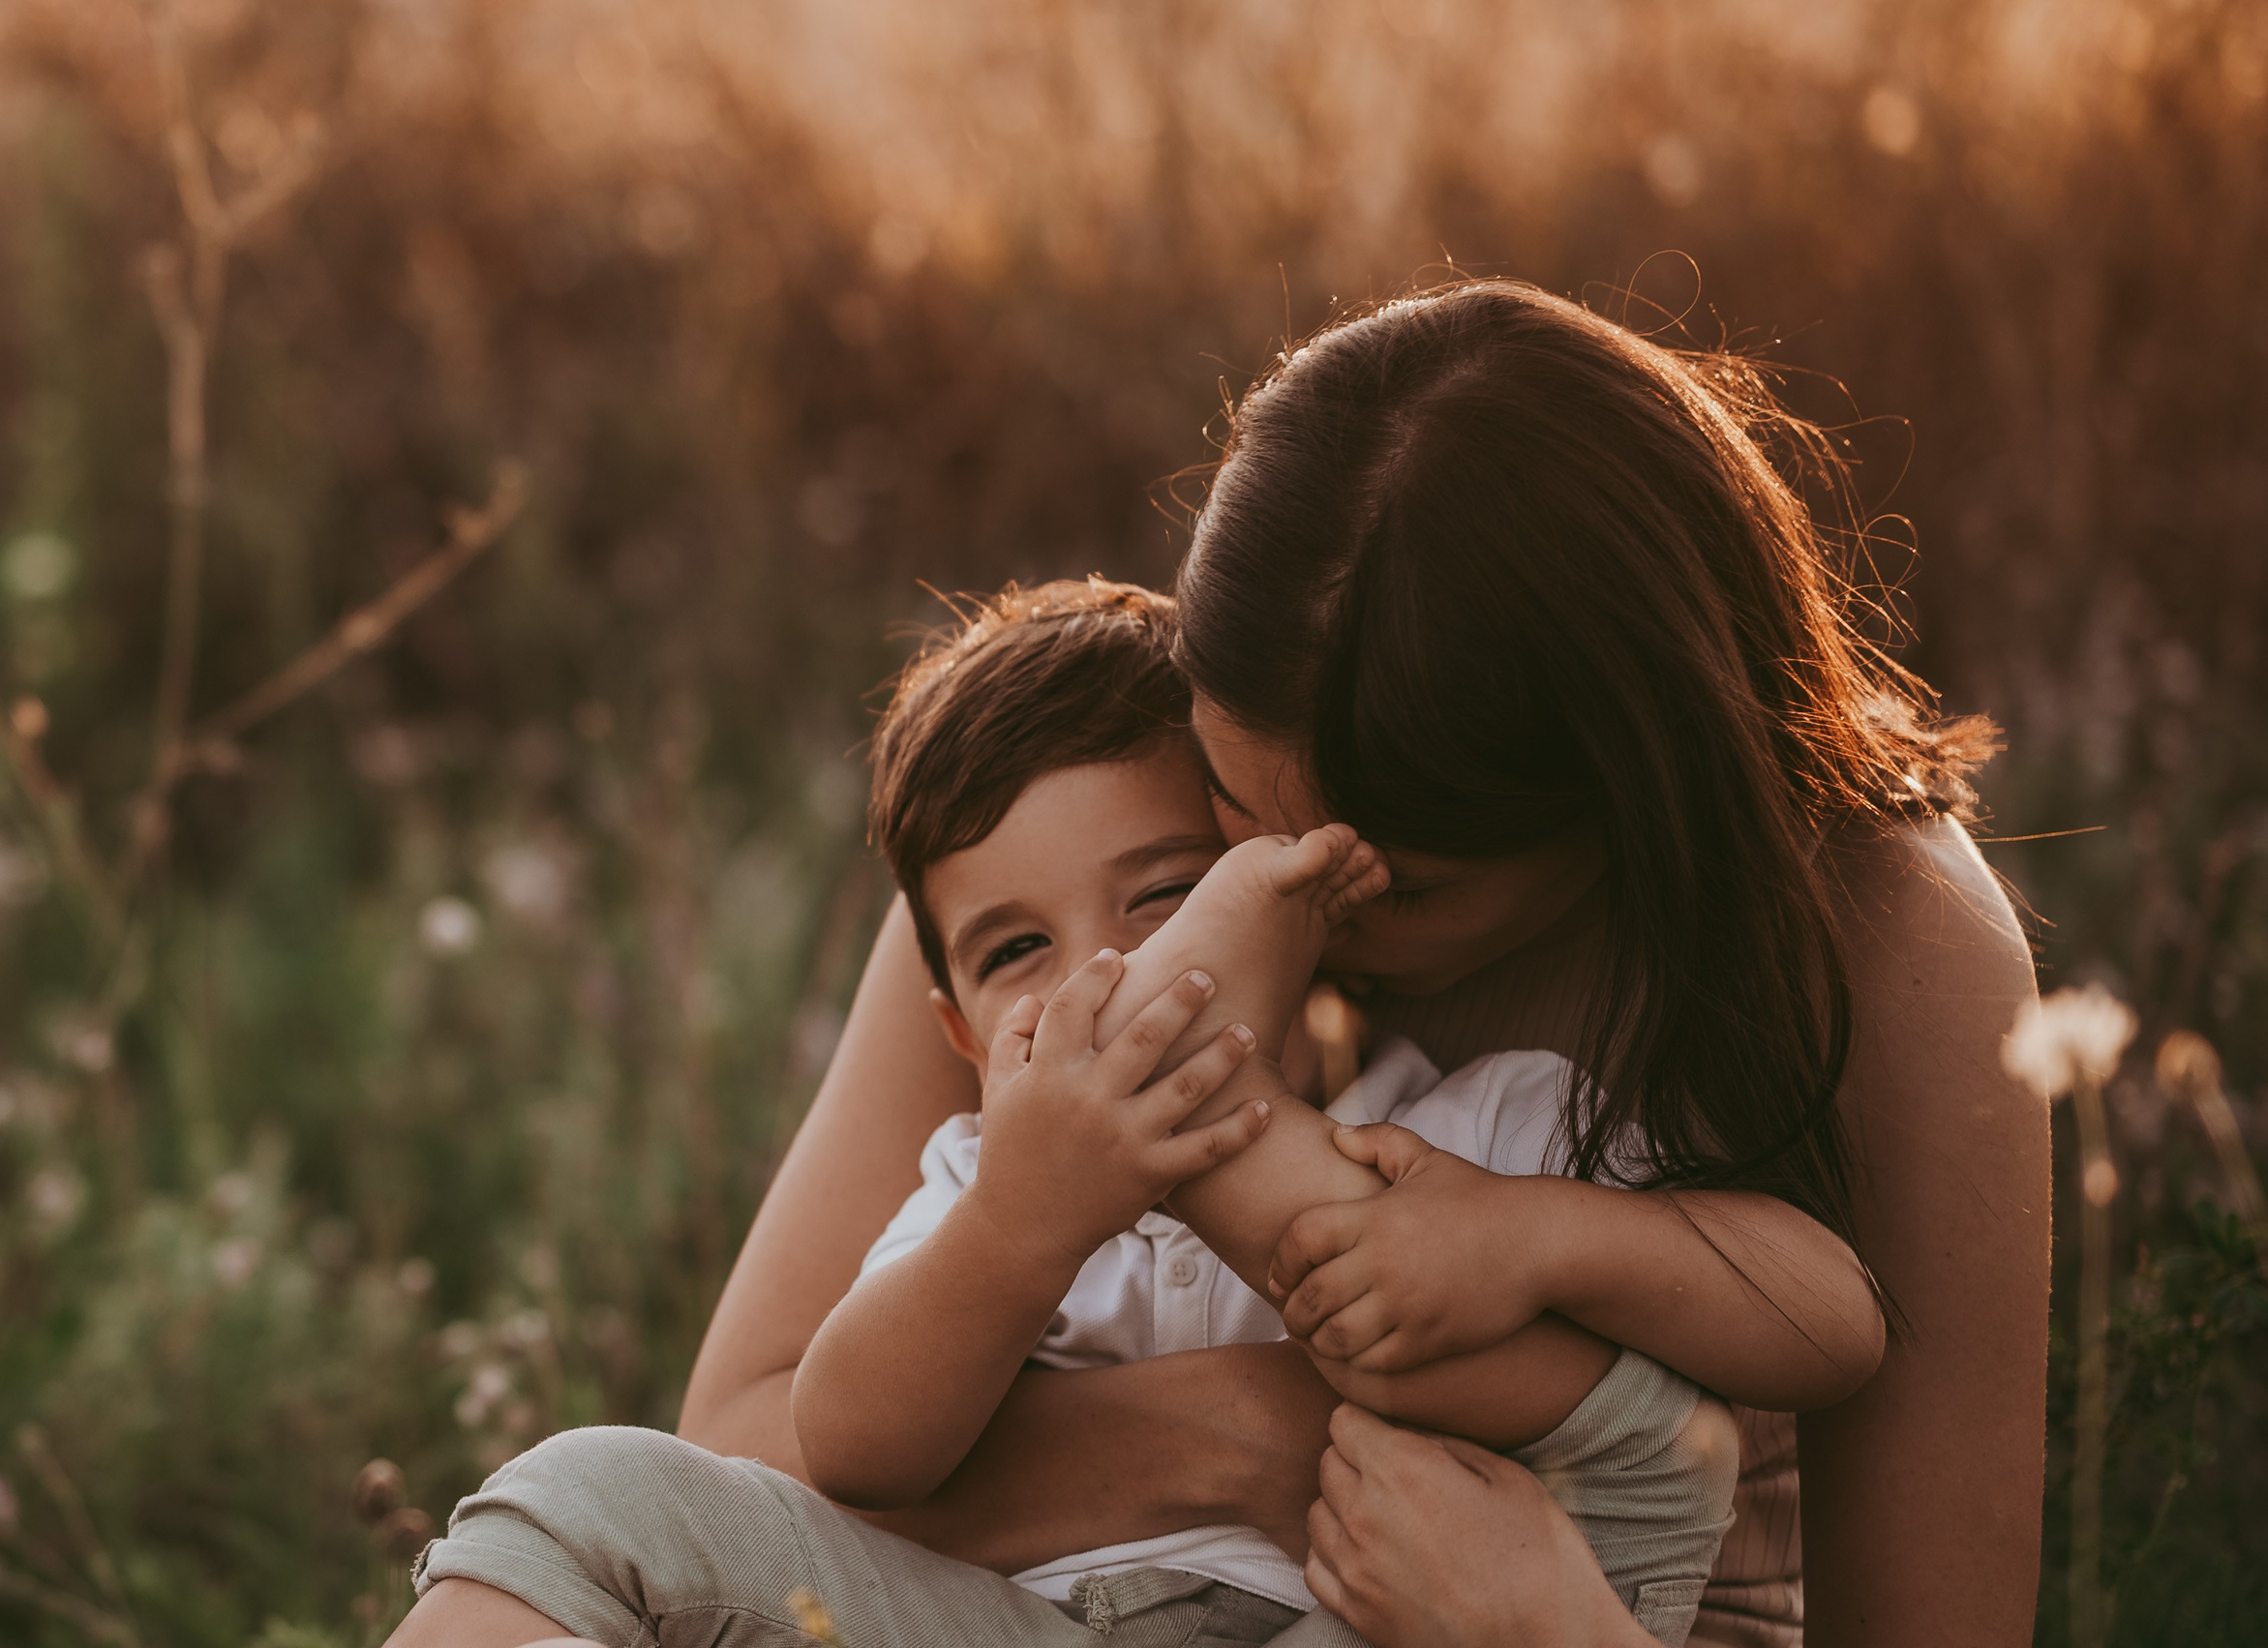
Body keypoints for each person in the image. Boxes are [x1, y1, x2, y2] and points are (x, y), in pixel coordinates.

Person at [401, 280, 2047, 1646]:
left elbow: (1831, 1392)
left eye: (1396, 880)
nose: (1290, 895)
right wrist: (1250, 1430)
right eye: (1243, 820)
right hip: (1066, 1594)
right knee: (576, 1518)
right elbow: (756, 1451)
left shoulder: (1860, 951)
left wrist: (1547, 1623)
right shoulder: (1099, 840)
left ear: (1634, 806)